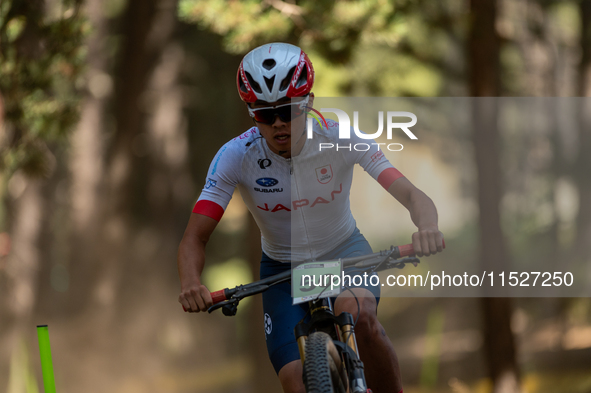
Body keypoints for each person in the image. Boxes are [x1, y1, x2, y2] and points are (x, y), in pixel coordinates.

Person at [177, 42, 444, 393]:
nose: (277, 124)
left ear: (310, 102)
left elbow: (411, 194)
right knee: (293, 381)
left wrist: (427, 228)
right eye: (263, 114)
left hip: (345, 253)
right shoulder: (235, 156)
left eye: (288, 111)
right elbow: (195, 237)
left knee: (359, 315)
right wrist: (191, 283)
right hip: (282, 269)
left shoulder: (342, 138)